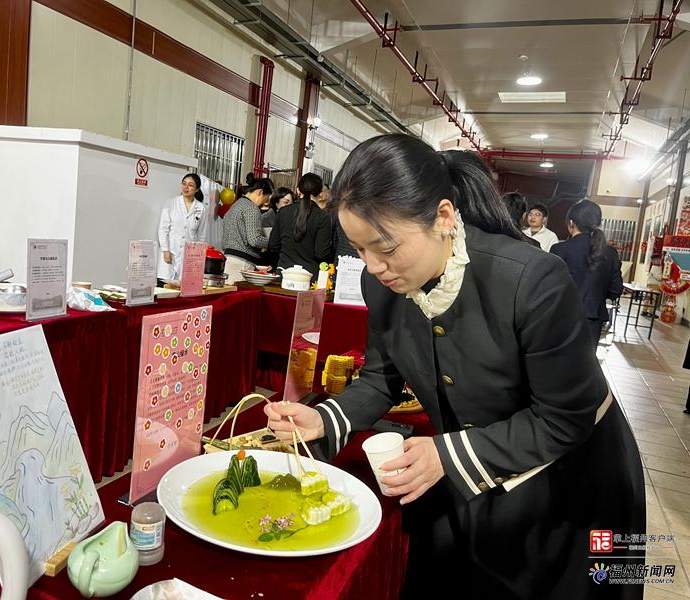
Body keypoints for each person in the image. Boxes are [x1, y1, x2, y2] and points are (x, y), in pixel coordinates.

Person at [264, 134, 644, 598]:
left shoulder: (530, 279)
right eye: (360, 249)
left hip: (570, 482)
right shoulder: (380, 285)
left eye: (385, 247)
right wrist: (324, 418)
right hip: (473, 466)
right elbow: (383, 378)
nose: (375, 266)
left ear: (443, 217)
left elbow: (564, 418)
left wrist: (445, 454)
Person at [551, 200, 623, 347]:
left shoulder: (560, 249)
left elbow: (549, 287)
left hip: (562, 317)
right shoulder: (610, 253)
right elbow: (616, 289)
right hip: (594, 318)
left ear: (571, 223)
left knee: (559, 363)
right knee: (584, 365)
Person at [268, 173, 332, 275]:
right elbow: (321, 254)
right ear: (320, 192)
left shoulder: (283, 212)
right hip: (308, 275)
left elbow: (273, 244)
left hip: (284, 272)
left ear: (298, 190)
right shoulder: (323, 217)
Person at [157, 173, 208, 282]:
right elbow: (163, 229)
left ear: (197, 189)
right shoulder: (171, 203)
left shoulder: (201, 208)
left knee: (184, 287)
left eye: (190, 185)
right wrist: (165, 250)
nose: (186, 187)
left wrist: (197, 256)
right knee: (166, 286)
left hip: (189, 256)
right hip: (170, 253)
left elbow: (201, 236)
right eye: (184, 184)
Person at [222, 176, 273, 282]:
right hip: (241, 262)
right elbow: (254, 240)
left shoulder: (235, 205)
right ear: (260, 192)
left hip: (228, 259)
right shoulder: (252, 208)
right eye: (267, 197)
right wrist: (272, 241)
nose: (266, 202)